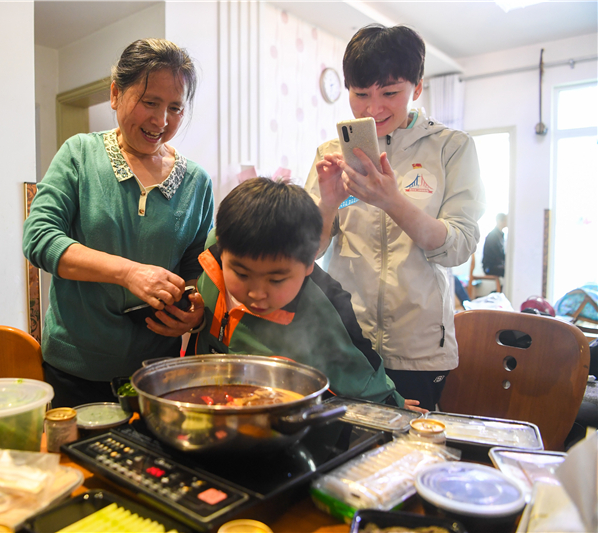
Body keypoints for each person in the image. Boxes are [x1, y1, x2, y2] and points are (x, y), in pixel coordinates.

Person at [23, 39, 214, 408]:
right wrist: (128, 273)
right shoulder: (79, 155)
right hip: (76, 369)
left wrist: (193, 311)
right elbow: (39, 238)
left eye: (175, 108)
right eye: (150, 102)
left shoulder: (197, 182)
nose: (161, 121)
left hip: (158, 374)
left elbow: (195, 267)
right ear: (115, 94)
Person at [304, 24, 485, 411]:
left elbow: (460, 246)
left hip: (419, 347)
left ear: (417, 88)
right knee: (344, 452)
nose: (373, 108)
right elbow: (307, 251)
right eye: (360, 94)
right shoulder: (330, 153)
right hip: (345, 339)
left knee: (408, 455)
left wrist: (393, 202)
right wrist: (328, 203)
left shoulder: (451, 148)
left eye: (390, 93)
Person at [188, 178, 425, 411]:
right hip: (203, 397)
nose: (257, 293)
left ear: (310, 261)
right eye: (241, 274)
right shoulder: (214, 253)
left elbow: (357, 363)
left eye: (277, 280)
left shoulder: (325, 303)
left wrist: (391, 402)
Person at [482, 212, 507, 277]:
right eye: (505, 220)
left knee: (510, 270)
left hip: (496, 265)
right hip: (489, 267)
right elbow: (498, 254)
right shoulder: (493, 235)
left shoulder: (500, 235)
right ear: (499, 221)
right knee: (509, 271)